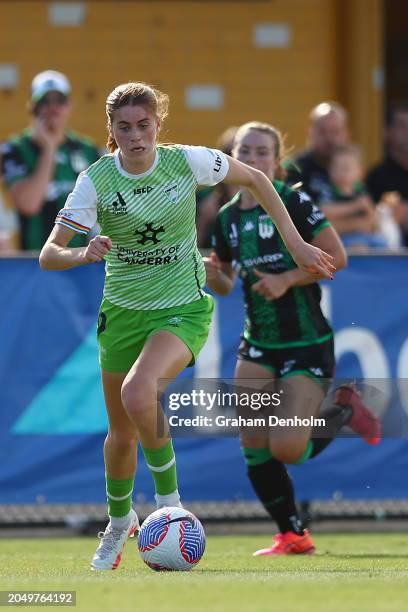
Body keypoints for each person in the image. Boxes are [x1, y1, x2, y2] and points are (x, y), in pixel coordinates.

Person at [39, 82, 335, 571]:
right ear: (111, 132)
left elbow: (260, 181)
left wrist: (299, 246)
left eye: (144, 125)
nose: (136, 136)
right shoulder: (95, 180)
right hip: (122, 313)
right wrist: (81, 251)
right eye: (124, 127)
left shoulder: (188, 162)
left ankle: (170, 509)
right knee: (120, 436)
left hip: (182, 308)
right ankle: (118, 524)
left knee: (140, 395)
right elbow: (50, 254)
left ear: (158, 124)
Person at [205, 121, 381, 556]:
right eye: (244, 151)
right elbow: (228, 283)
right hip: (258, 341)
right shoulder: (226, 219)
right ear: (231, 158)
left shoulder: (294, 201)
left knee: (287, 449)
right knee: (252, 441)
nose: (252, 159)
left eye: (262, 152)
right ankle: (293, 535)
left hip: (305, 341)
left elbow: (336, 257)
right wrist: (213, 276)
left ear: (277, 162)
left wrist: (287, 279)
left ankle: (344, 409)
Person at [1, 70, 100, 250]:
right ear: (33, 108)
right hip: (35, 262)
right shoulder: (15, 149)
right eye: (44, 101)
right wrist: (49, 148)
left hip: (80, 261)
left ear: (69, 106)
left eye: (59, 101)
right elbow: (29, 205)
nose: (52, 107)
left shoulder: (88, 150)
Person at [322, 144, 390, 248]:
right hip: (339, 238)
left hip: (364, 237)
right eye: (335, 167)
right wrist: (355, 206)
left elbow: (371, 219)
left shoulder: (362, 191)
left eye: (345, 168)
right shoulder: (328, 191)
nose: (340, 172)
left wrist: (371, 215)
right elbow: (325, 212)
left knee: (382, 243)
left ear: (360, 172)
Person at [286, 101, 350, 202]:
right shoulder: (295, 168)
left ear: (346, 134)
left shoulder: (351, 168)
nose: (329, 138)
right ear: (309, 133)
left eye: (335, 131)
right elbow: (299, 211)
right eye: (322, 131)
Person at [366, 102, 408, 246]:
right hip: (391, 260)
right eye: (402, 126)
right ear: (387, 132)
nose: (407, 131)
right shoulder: (375, 177)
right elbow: (368, 221)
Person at [196, 126, 239, 247]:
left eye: (242, 152)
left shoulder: (263, 194)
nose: (235, 159)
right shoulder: (204, 198)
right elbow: (196, 243)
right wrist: (203, 220)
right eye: (230, 153)